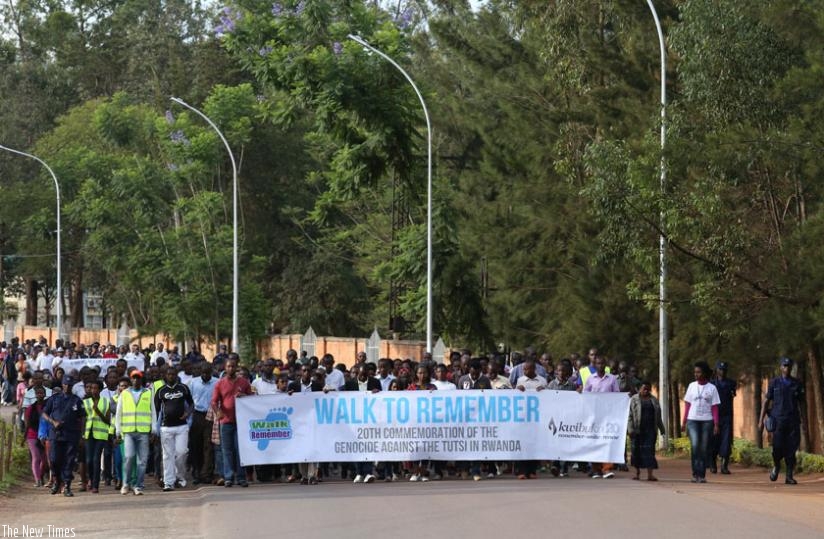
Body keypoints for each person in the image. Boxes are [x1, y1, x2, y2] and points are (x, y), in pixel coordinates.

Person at [759, 357, 805, 485]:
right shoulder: (774, 382)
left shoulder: (797, 383)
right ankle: (777, 466)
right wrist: (760, 421)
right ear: (780, 367)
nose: (787, 368)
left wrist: (804, 420)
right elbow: (766, 401)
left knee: (791, 449)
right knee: (777, 448)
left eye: (789, 366)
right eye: (784, 365)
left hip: (793, 420)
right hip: (778, 420)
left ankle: (789, 476)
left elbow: (802, 403)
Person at [211, 357, 252, 488]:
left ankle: (241, 477)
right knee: (226, 450)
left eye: (233, 366)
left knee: (240, 450)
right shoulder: (220, 383)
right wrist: (218, 411)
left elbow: (252, 399)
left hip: (241, 422)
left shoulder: (244, 382)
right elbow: (213, 401)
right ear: (225, 367)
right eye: (228, 366)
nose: (230, 369)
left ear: (236, 367)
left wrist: (244, 397)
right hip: (226, 422)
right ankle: (228, 477)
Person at [42, 376, 86, 497]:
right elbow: (44, 413)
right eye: (65, 384)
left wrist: (82, 435)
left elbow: (82, 417)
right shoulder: (54, 399)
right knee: (54, 459)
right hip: (56, 434)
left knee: (69, 460)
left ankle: (67, 485)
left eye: (70, 385)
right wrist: (52, 422)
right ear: (62, 385)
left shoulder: (77, 400)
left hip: (71, 434)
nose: (67, 387)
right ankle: (57, 480)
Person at [115, 370, 158, 495]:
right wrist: (118, 430)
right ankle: (126, 483)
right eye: (133, 378)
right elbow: (119, 413)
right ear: (130, 380)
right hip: (128, 431)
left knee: (142, 461)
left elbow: (153, 411)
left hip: (143, 431)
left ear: (141, 379)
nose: (135, 380)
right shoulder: (125, 394)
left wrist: (153, 428)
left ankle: (138, 485)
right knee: (128, 457)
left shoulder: (148, 393)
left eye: (138, 378)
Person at [155, 365, 194, 491]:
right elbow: (155, 411)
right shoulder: (161, 391)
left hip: (182, 427)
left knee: (182, 452)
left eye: (173, 374)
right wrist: (155, 429)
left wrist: (187, 413)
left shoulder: (183, 388)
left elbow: (192, 403)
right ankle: (168, 482)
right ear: (165, 376)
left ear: (176, 375)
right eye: (169, 374)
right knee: (167, 455)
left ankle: (180, 477)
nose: (171, 376)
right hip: (166, 427)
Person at [682, 361, 720, 484]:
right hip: (692, 420)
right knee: (695, 446)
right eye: (695, 372)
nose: (696, 374)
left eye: (698, 372)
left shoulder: (712, 388)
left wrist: (716, 423)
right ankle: (695, 474)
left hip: (707, 421)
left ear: (704, 373)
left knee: (703, 448)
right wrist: (684, 422)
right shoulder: (692, 386)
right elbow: (687, 405)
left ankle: (701, 474)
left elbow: (714, 407)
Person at [583, 355, 620, 479]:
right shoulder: (590, 379)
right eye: (598, 363)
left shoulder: (612, 379)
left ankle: (607, 468)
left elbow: (617, 397)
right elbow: (585, 396)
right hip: (594, 415)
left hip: (608, 416)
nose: (600, 365)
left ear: (605, 365)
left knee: (607, 441)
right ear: (595, 365)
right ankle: (596, 469)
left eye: (602, 363)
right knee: (594, 441)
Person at [628, 381, 665, 481]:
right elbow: (630, 415)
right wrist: (630, 429)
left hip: (650, 430)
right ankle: (637, 473)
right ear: (640, 389)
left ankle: (650, 475)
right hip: (637, 430)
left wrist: (662, 428)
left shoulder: (654, 400)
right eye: (644, 388)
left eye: (648, 388)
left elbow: (658, 416)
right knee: (636, 452)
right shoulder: (634, 399)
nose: (646, 390)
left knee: (649, 452)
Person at [188, 364, 218, 485]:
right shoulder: (193, 382)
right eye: (203, 373)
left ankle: (206, 474)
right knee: (196, 446)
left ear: (211, 372)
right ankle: (196, 473)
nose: (205, 375)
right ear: (200, 372)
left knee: (208, 446)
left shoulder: (217, 382)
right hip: (197, 415)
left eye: (207, 373)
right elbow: (188, 401)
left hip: (210, 415)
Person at [83, 379, 111, 493]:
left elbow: (108, 420)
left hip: (101, 434)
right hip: (89, 434)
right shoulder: (86, 402)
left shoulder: (105, 401)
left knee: (96, 459)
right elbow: (83, 419)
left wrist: (98, 411)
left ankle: (96, 485)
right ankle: (90, 479)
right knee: (89, 460)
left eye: (96, 388)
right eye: (91, 388)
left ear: (100, 390)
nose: (93, 390)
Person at [710, 361, 736, 474]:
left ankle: (724, 466)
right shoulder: (711, 384)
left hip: (726, 416)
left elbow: (733, 395)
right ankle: (712, 464)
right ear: (716, 370)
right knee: (714, 440)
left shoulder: (731, 383)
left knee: (726, 441)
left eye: (724, 369)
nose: (722, 371)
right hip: (713, 416)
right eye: (720, 369)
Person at [23, 386, 48, 487]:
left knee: (45, 460)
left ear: (45, 394)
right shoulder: (30, 408)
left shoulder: (48, 406)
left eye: (42, 393)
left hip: (45, 435)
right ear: (35, 395)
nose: (40, 395)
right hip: (32, 435)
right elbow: (27, 423)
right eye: (38, 393)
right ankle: (37, 479)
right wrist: (24, 437)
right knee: (36, 457)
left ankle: (40, 476)